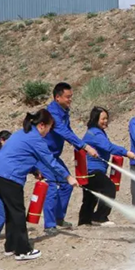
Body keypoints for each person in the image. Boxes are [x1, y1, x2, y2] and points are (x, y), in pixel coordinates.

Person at [0, 110, 77, 261]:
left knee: (11, 212)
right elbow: (50, 161)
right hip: (9, 178)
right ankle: (23, 251)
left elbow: (18, 155)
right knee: (18, 212)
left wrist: (35, 171)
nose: (48, 132)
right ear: (42, 125)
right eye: (49, 128)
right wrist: (68, 177)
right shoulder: (35, 138)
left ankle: (10, 246)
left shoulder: (22, 133)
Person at [40, 82, 98, 235]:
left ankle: (59, 217)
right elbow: (62, 132)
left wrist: (80, 147)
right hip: (44, 156)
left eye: (71, 96)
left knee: (66, 184)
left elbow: (69, 131)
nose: (70, 99)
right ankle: (49, 225)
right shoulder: (52, 113)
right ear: (57, 97)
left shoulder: (64, 111)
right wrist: (85, 146)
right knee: (51, 187)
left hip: (54, 156)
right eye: (67, 97)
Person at [79, 106, 135, 227]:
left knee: (90, 197)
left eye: (107, 118)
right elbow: (109, 147)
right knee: (109, 188)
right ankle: (100, 217)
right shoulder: (95, 134)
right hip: (93, 170)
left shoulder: (96, 132)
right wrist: (126, 153)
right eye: (103, 119)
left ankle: (84, 221)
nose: (105, 121)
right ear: (95, 119)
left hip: (89, 170)